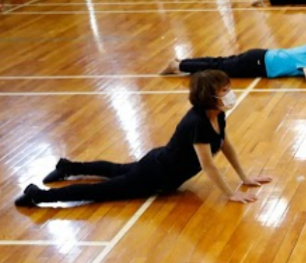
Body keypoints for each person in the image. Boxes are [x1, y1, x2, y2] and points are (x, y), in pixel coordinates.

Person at [14, 71, 272, 208]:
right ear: (209, 96)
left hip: (158, 162)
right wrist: (230, 194)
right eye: (224, 90)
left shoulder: (217, 114)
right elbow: (208, 165)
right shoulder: (199, 123)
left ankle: (68, 168)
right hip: (154, 176)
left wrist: (244, 178)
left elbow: (225, 145)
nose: (230, 94)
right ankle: (38, 196)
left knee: (115, 170)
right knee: (100, 192)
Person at [160, 37, 306, 86]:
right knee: (218, 67)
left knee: (219, 62)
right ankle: (178, 66)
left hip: (258, 57)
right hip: (256, 63)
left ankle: (182, 62)